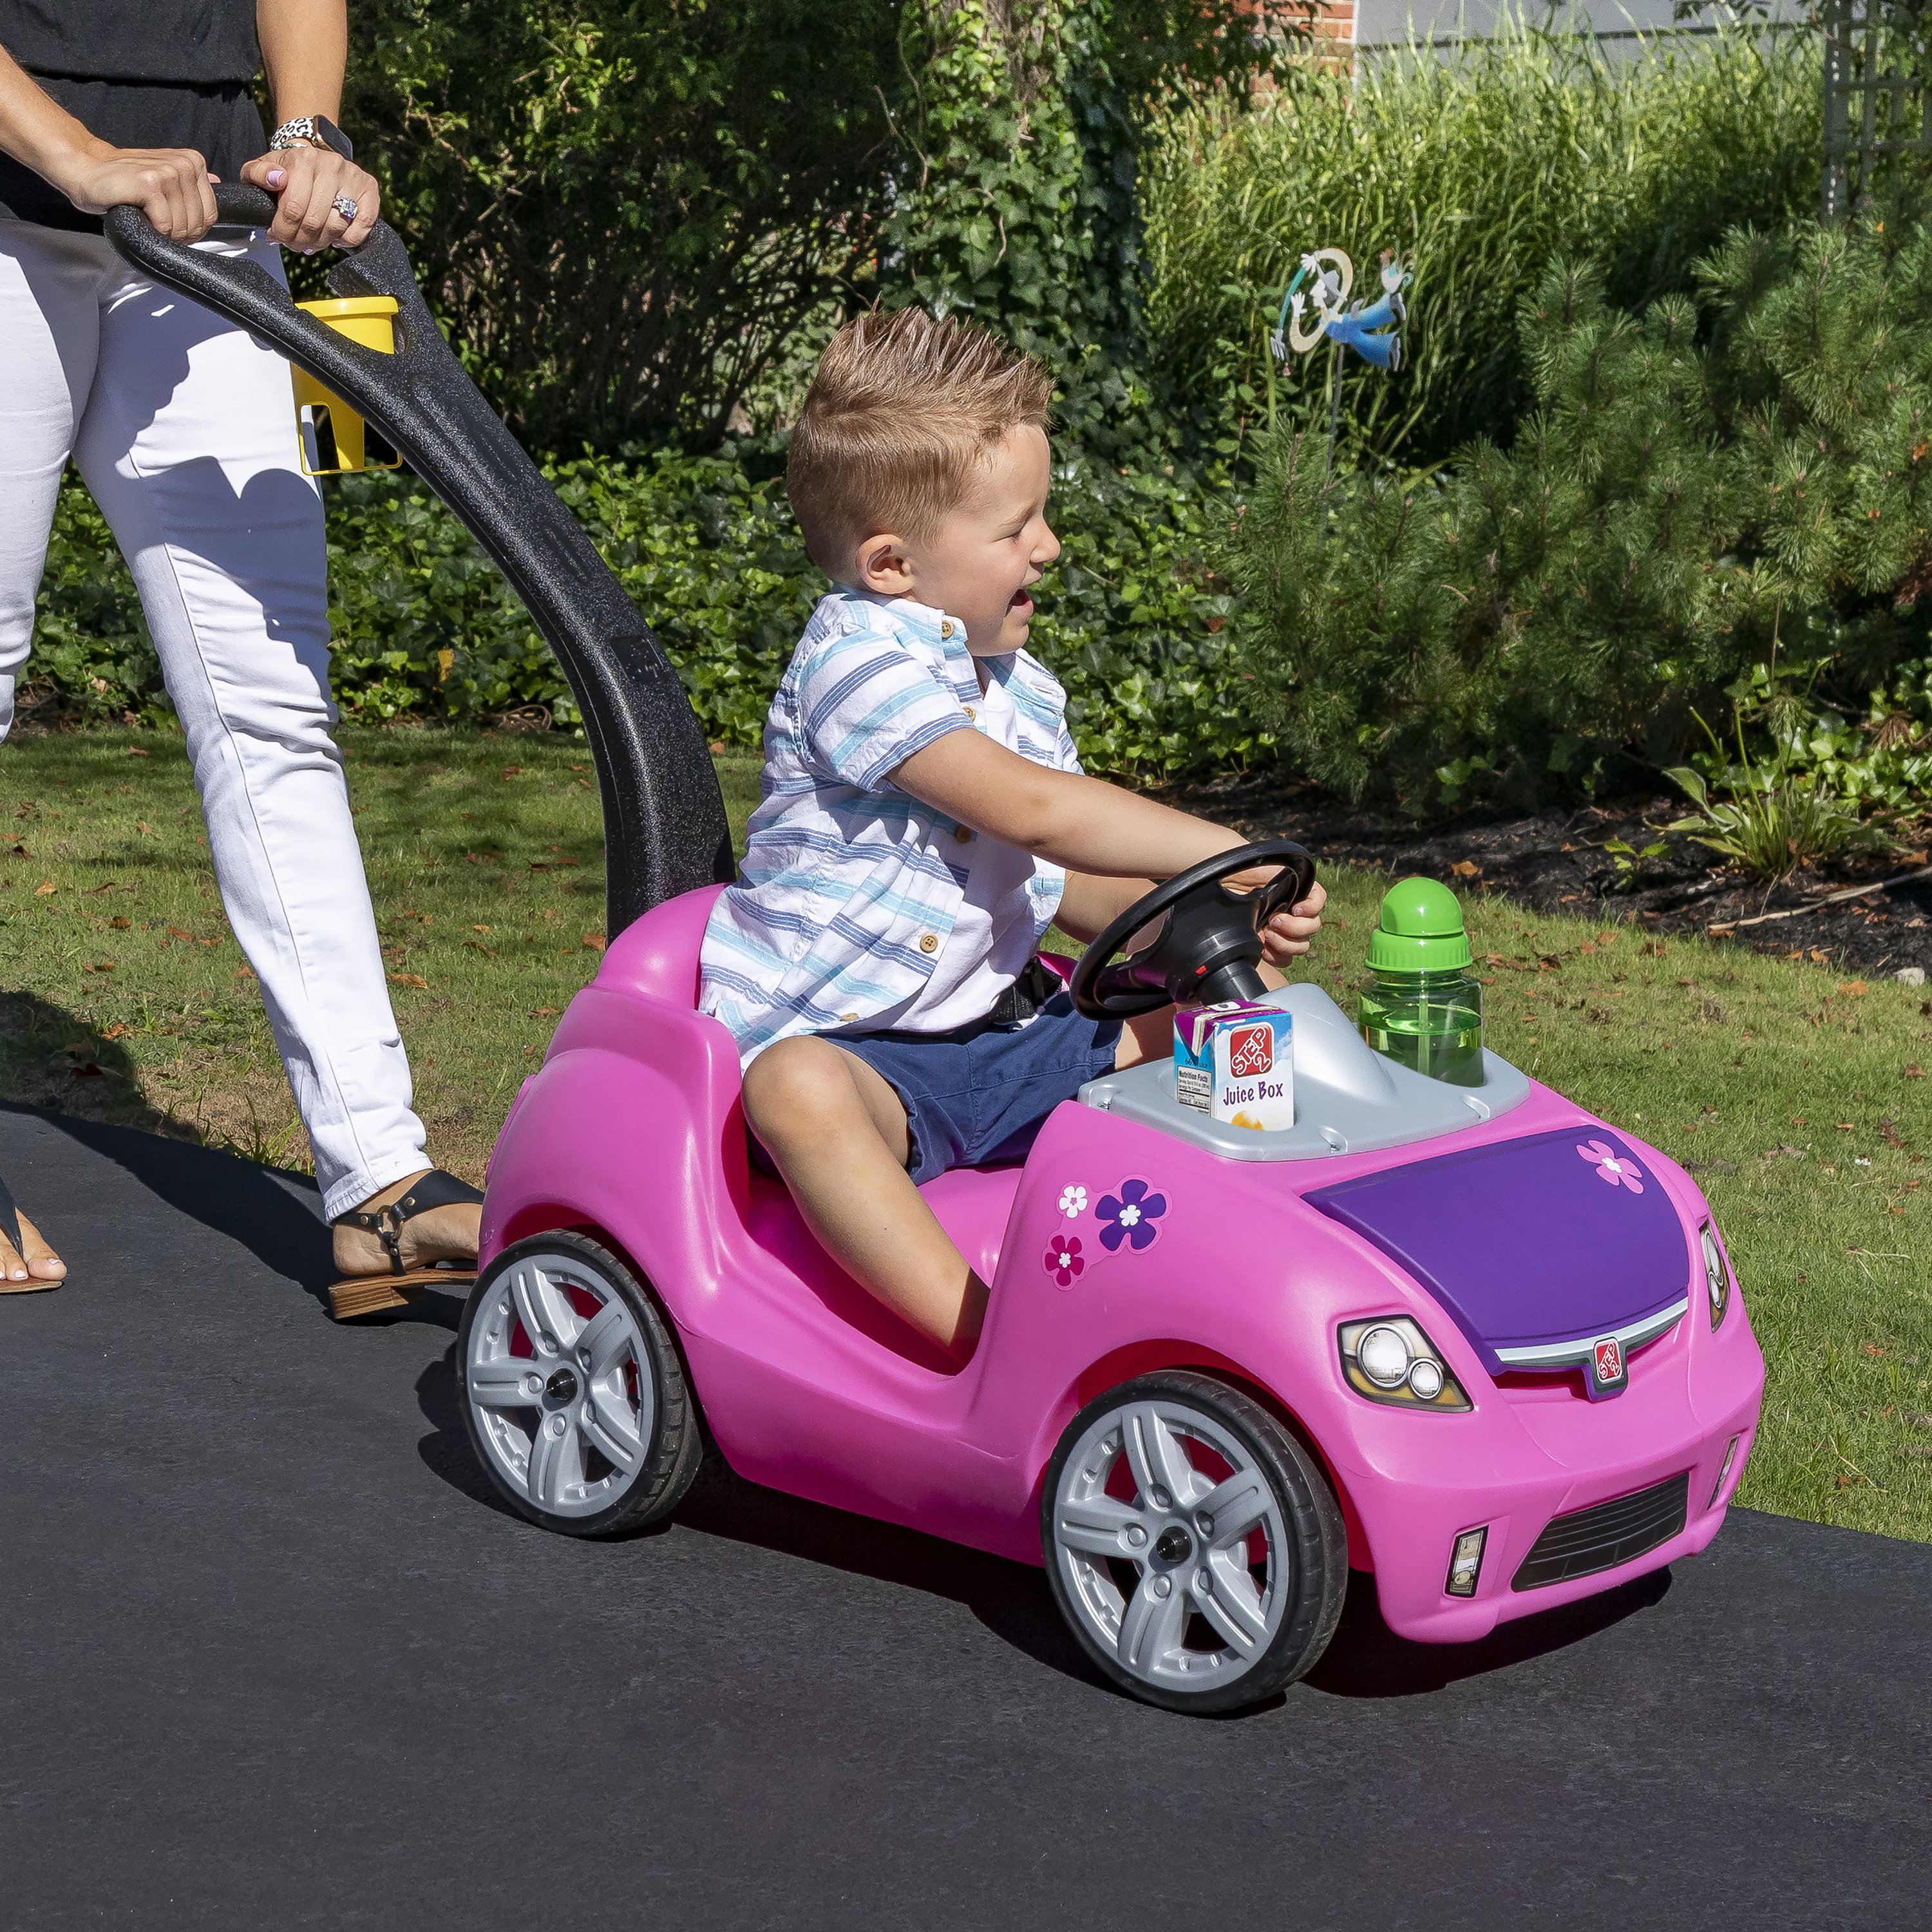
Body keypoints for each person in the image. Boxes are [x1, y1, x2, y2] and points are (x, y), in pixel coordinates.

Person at [699, 308, 1326, 1366]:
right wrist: (1216, 838)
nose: (1050, 545)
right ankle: (984, 1345)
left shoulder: (1013, 687)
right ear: (894, 562)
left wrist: (1200, 913)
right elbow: (1032, 810)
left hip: (997, 1036)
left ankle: (1277, 1285)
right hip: (862, 1062)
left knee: (1235, 1024)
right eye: (1015, 528)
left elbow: (1048, 876)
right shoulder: (854, 664)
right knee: (792, 1092)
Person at [0, 1, 480, 1312]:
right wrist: (72, 151)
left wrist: (310, 133)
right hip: (10, 232)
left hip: (207, 240)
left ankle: (378, 1176)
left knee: (275, 702)